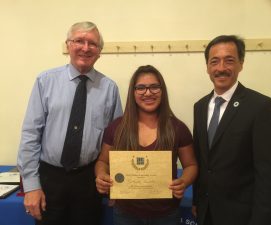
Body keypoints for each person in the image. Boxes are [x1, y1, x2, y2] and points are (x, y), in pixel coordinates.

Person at [17, 21, 122, 225]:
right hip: (50, 179)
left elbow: (116, 142)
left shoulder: (110, 89)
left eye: (92, 43)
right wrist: (31, 185)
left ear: (99, 51)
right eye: (79, 41)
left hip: (89, 181)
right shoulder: (45, 81)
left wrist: (117, 183)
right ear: (68, 45)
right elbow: (31, 134)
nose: (85, 48)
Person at [192, 35, 271, 225]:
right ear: (207, 67)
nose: (221, 68)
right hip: (206, 213)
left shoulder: (262, 107)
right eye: (214, 61)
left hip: (243, 217)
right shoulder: (200, 106)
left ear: (241, 63)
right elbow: (202, 160)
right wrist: (196, 201)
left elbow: (270, 176)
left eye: (229, 60)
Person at [95, 65, 198, 225]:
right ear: (133, 92)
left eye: (154, 87)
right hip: (126, 212)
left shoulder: (177, 128)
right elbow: (102, 161)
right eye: (141, 88)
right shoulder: (117, 127)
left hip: (166, 213)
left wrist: (184, 181)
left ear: (162, 91)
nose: (148, 93)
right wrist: (101, 176)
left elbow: (191, 165)